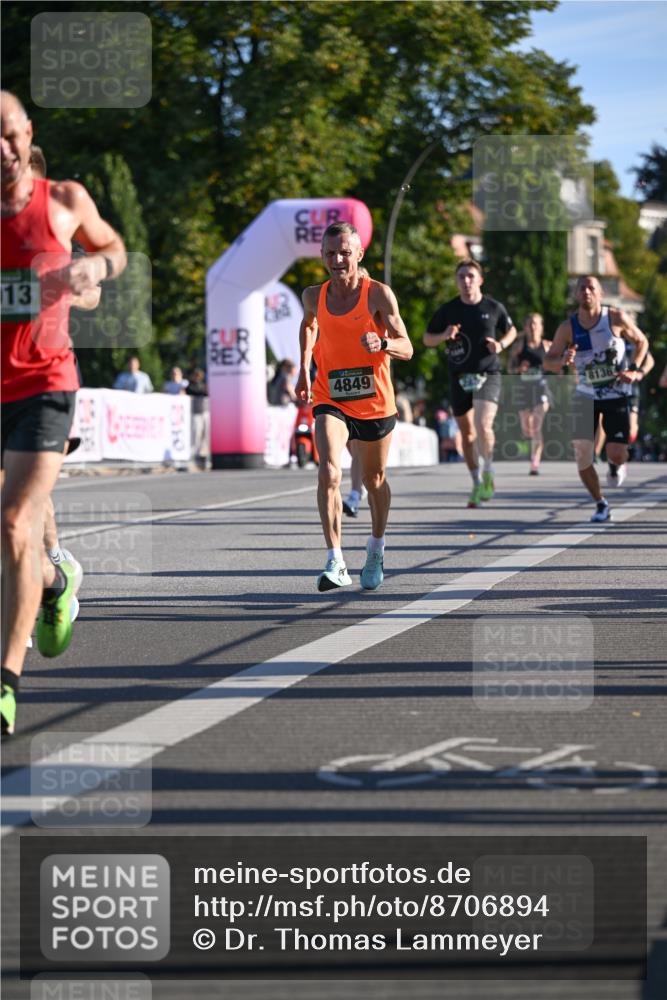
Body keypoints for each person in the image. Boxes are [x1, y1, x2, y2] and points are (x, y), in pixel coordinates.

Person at [1, 90, 126, 735]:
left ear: (28, 134)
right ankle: (52, 583)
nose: (2, 151)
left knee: (17, 518)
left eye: (9, 136)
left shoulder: (64, 201)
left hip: (46, 383)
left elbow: (112, 255)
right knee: (12, 526)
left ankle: (6, 682)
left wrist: (91, 273)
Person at [296, 221, 413, 591]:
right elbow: (308, 325)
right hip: (331, 395)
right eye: (331, 253)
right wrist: (303, 369)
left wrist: (383, 344)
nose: (337, 259)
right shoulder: (313, 295)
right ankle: (336, 561)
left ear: (359, 254)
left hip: (375, 401)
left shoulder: (378, 295)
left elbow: (407, 346)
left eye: (345, 252)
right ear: (322, 257)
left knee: (372, 480)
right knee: (329, 472)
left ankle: (376, 548)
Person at [544, 275, 648, 522]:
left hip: (616, 393)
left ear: (600, 294)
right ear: (577, 294)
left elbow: (642, 341)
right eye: (582, 288)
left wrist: (634, 368)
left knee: (616, 452)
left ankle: (615, 464)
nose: (586, 292)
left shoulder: (615, 318)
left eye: (591, 288)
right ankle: (600, 503)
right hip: (585, 394)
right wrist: (562, 361)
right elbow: (548, 361)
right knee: (582, 454)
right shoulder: (567, 328)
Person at [424, 259, 517, 507]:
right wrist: (444, 335)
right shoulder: (448, 310)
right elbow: (426, 339)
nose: (466, 281)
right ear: (457, 281)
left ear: (480, 280)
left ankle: (489, 470)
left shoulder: (493, 307)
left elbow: (512, 330)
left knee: (483, 425)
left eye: (471, 276)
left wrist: (501, 345)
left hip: (489, 374)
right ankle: (477, 481)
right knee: (467, 434)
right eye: (462, 277)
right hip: (459, 377)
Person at [594, 347, 654, 475]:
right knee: (603, 423)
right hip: (609, 389)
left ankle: (618, 456)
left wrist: (640, 373)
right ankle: (608, 453)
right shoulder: (606, 335)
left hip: (631, 389)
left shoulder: (633, 339)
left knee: (631, 430)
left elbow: (649, 360)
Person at [508, 313, 553, 475]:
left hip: (541, 388)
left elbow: (559, 365)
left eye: (536, 324)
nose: (533, 327)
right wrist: (519, 370)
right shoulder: (520, 346)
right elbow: (509, 369)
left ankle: (535, 462)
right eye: (530, 324)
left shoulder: (547, 346)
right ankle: (534, 455)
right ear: (526, 327)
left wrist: (556, 366)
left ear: (541, 327)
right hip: (524, 390)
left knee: (536, 425)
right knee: (527, 428)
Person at [186, 367, 209, 469]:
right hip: (195, 413)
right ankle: (194, 455)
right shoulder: (190, 386)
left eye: (199, 376)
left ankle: (203, 455)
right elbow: (196, 392)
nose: (197, 378)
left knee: (205, 435)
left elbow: (206, 393)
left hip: (205, 412)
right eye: (196, 376)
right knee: (196, 434)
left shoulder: (203, 385)